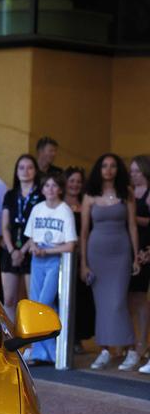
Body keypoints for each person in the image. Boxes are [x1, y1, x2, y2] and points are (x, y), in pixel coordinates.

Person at [81, 154, 138, 370]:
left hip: (121, 253)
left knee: (118, 303)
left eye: (113, 166)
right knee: (102, 305)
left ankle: (132, 349)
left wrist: (135, 257)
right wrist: (83, 264)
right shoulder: (90, 195)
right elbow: (84, 232)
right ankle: (104, 350)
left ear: (118, 169)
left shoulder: (127, 193)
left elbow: (132, 226)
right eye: (104, 165)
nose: (109, 169)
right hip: (97, 254)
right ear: (99, 169)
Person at [23, 171, 78, 365]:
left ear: (61, 189)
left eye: (54, 186)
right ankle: (42, 353)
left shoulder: (65, 211)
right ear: (43, 189)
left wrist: (48, 251)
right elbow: (30, 237)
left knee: (45, 304)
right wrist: (34, 247)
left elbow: (71, 245)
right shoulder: (37, 209)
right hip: (37, 259)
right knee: (37, 303)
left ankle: (53, 352)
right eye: (47, 186)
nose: (51, 189)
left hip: (56, 259)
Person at [0, 154, 42, 320]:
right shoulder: (10, 195)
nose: (26, 171)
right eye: (21, 167)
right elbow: (5, 226)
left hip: (31, 250)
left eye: (30, 167)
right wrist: (12, 251)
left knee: (31, 300)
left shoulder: (41, 195)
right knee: (9, 299)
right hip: (11, 250)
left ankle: (31, 343)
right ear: (16, 171)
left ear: (35, 171)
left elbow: (39, 227)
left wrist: (22, 251)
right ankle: (11, 342)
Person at [63, 166, 95, 350]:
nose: (75, 185)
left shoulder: (86, 204)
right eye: (72, 181)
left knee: (81, 299)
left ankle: (77, 340)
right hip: (63, 256)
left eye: (79, 181)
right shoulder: (58, 203)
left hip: (83, 255)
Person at [126, 155, 150, 371]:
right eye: (131, 171)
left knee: (140, 299)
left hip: (145, 251)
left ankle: (142, 345)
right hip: (129, 251)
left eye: (137, 171)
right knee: (129, 299)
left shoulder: (148, 194)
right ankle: (132, 345)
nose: (133, 174)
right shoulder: (129, 192)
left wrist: (131, 218)